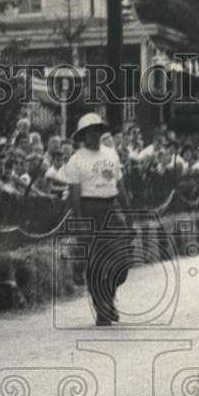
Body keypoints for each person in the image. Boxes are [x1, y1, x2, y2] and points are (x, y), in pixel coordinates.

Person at [65, 112, 130, 326]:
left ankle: (108, 298)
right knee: (96, 263)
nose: (94, 135)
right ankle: (102, 308)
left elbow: (119, 186)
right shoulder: (76, 160)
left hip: (112, 207)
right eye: (89, 132)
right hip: (89, 208)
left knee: (121, 263)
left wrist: (127, 213)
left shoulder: (111, 154)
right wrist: (80, 221)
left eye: (97, 130)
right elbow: (74, 193)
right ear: (83, 135)